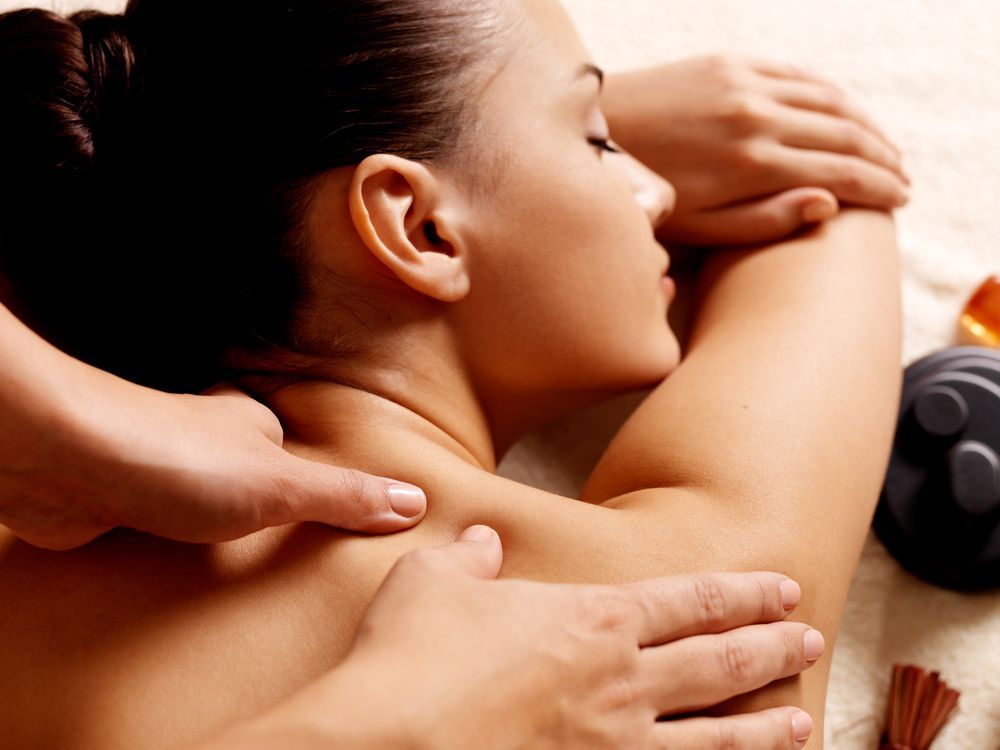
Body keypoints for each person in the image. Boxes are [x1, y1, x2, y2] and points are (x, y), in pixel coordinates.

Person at [0, 0, 906, 747]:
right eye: (598, 142)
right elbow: (831, 198)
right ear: (420, 228)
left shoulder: (30, 574)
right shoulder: (660, 622)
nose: (657, 190)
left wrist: (500, 143)